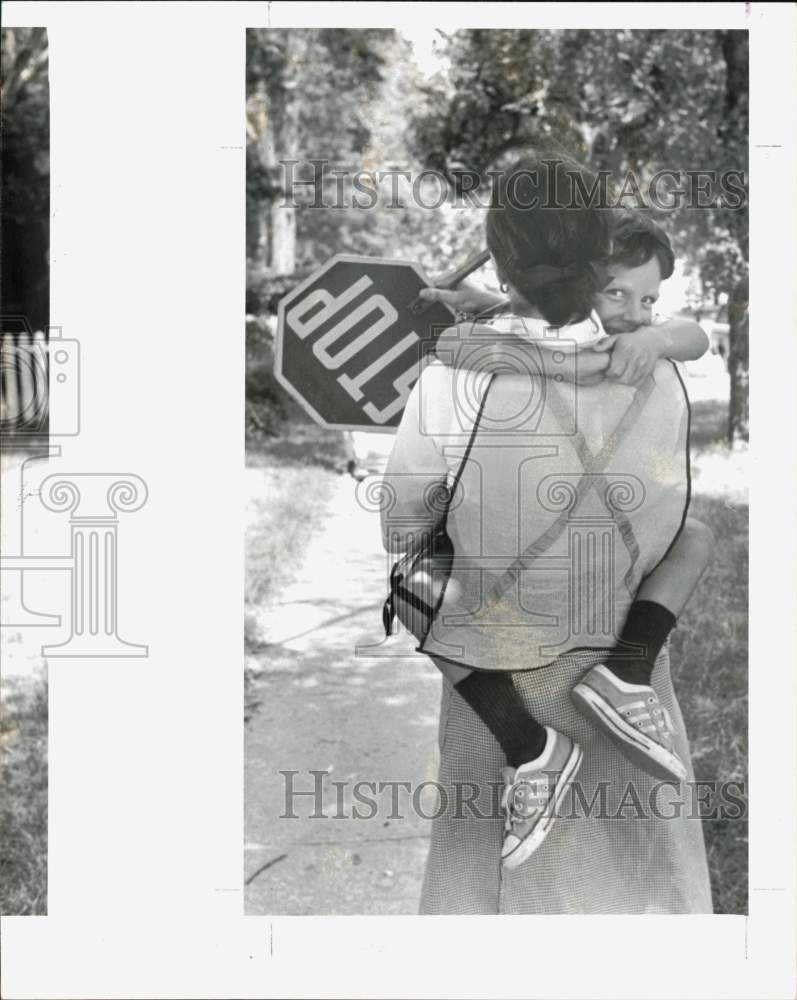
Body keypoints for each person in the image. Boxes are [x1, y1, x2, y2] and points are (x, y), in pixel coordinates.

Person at [381, 156, 714, 910]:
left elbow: (401, 524)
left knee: (493, 889)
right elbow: (663, 511)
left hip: (498, 664)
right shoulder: (646, 361)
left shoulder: (459, 373)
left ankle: (530, 759)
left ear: (500, 255)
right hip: (623, 664)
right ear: (598, 259)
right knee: (635, 877)